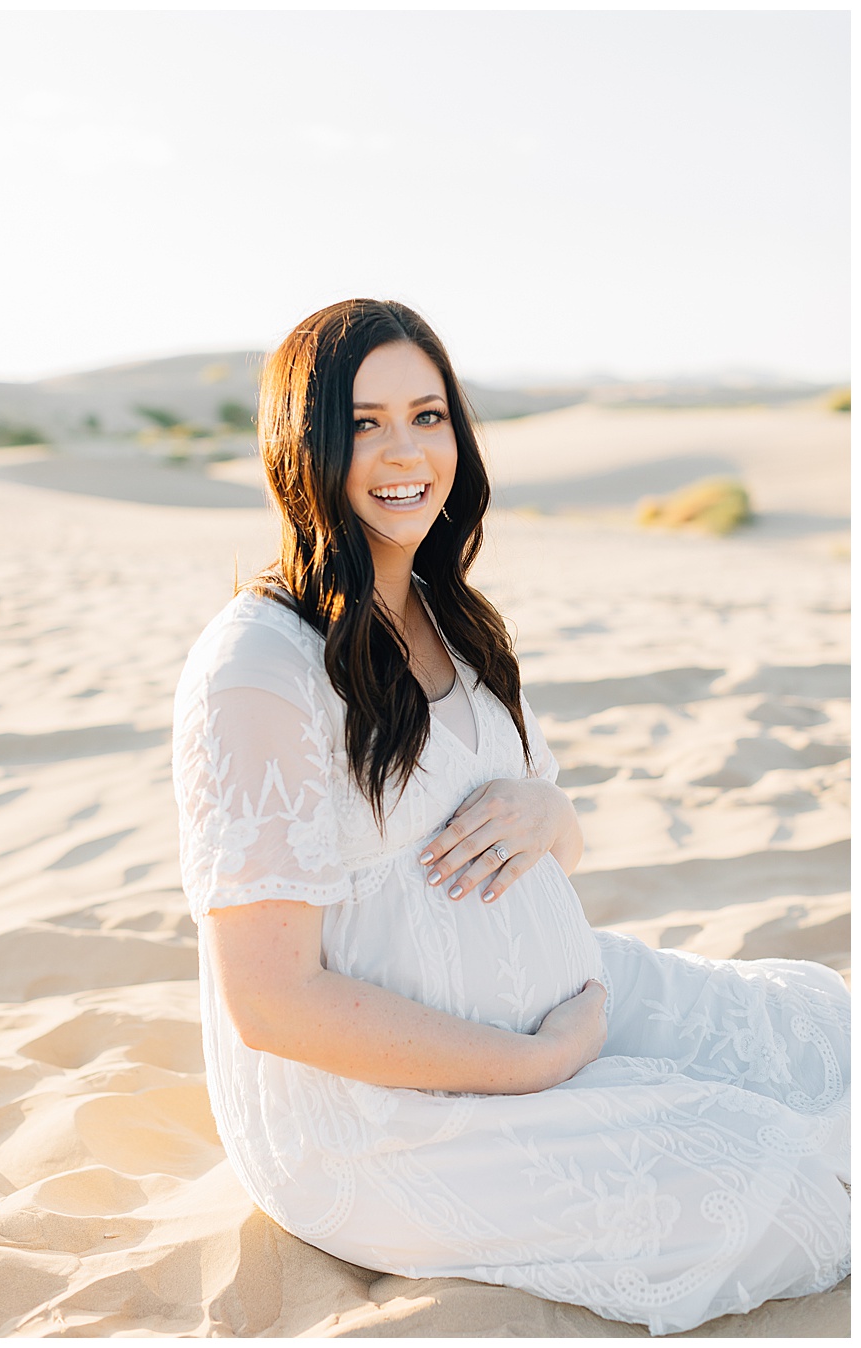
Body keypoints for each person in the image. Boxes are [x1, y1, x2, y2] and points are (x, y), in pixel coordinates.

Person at [172, 299, 849, 1333]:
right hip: (384, 1117)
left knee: (825, 1033)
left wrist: (545, 806)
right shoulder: (258, 666)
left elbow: (555, 846)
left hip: (567, 1004)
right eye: (362, 423)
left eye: (428, 414)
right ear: (298, 446)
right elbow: (272, 1001)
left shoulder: (456, 618)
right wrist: (535, 1066)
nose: (405, 451)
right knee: (772, 1181)